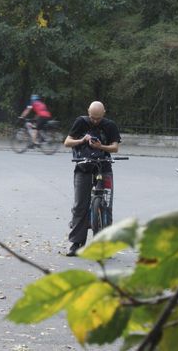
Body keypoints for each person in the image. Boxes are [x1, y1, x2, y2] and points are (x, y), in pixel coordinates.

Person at [62, 101, 121, 257]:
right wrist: (82, 140)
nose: (95, 121)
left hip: (104, 166)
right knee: (80, 205)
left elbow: (115, 147)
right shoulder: (80, 122)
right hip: (83, 166)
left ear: (104, 113)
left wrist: (101, 147)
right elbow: (67, 142)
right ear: (88, 112)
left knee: (106, 206)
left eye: (98, 118)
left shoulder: (110, 125)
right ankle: (77, 243)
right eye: (92, 117)